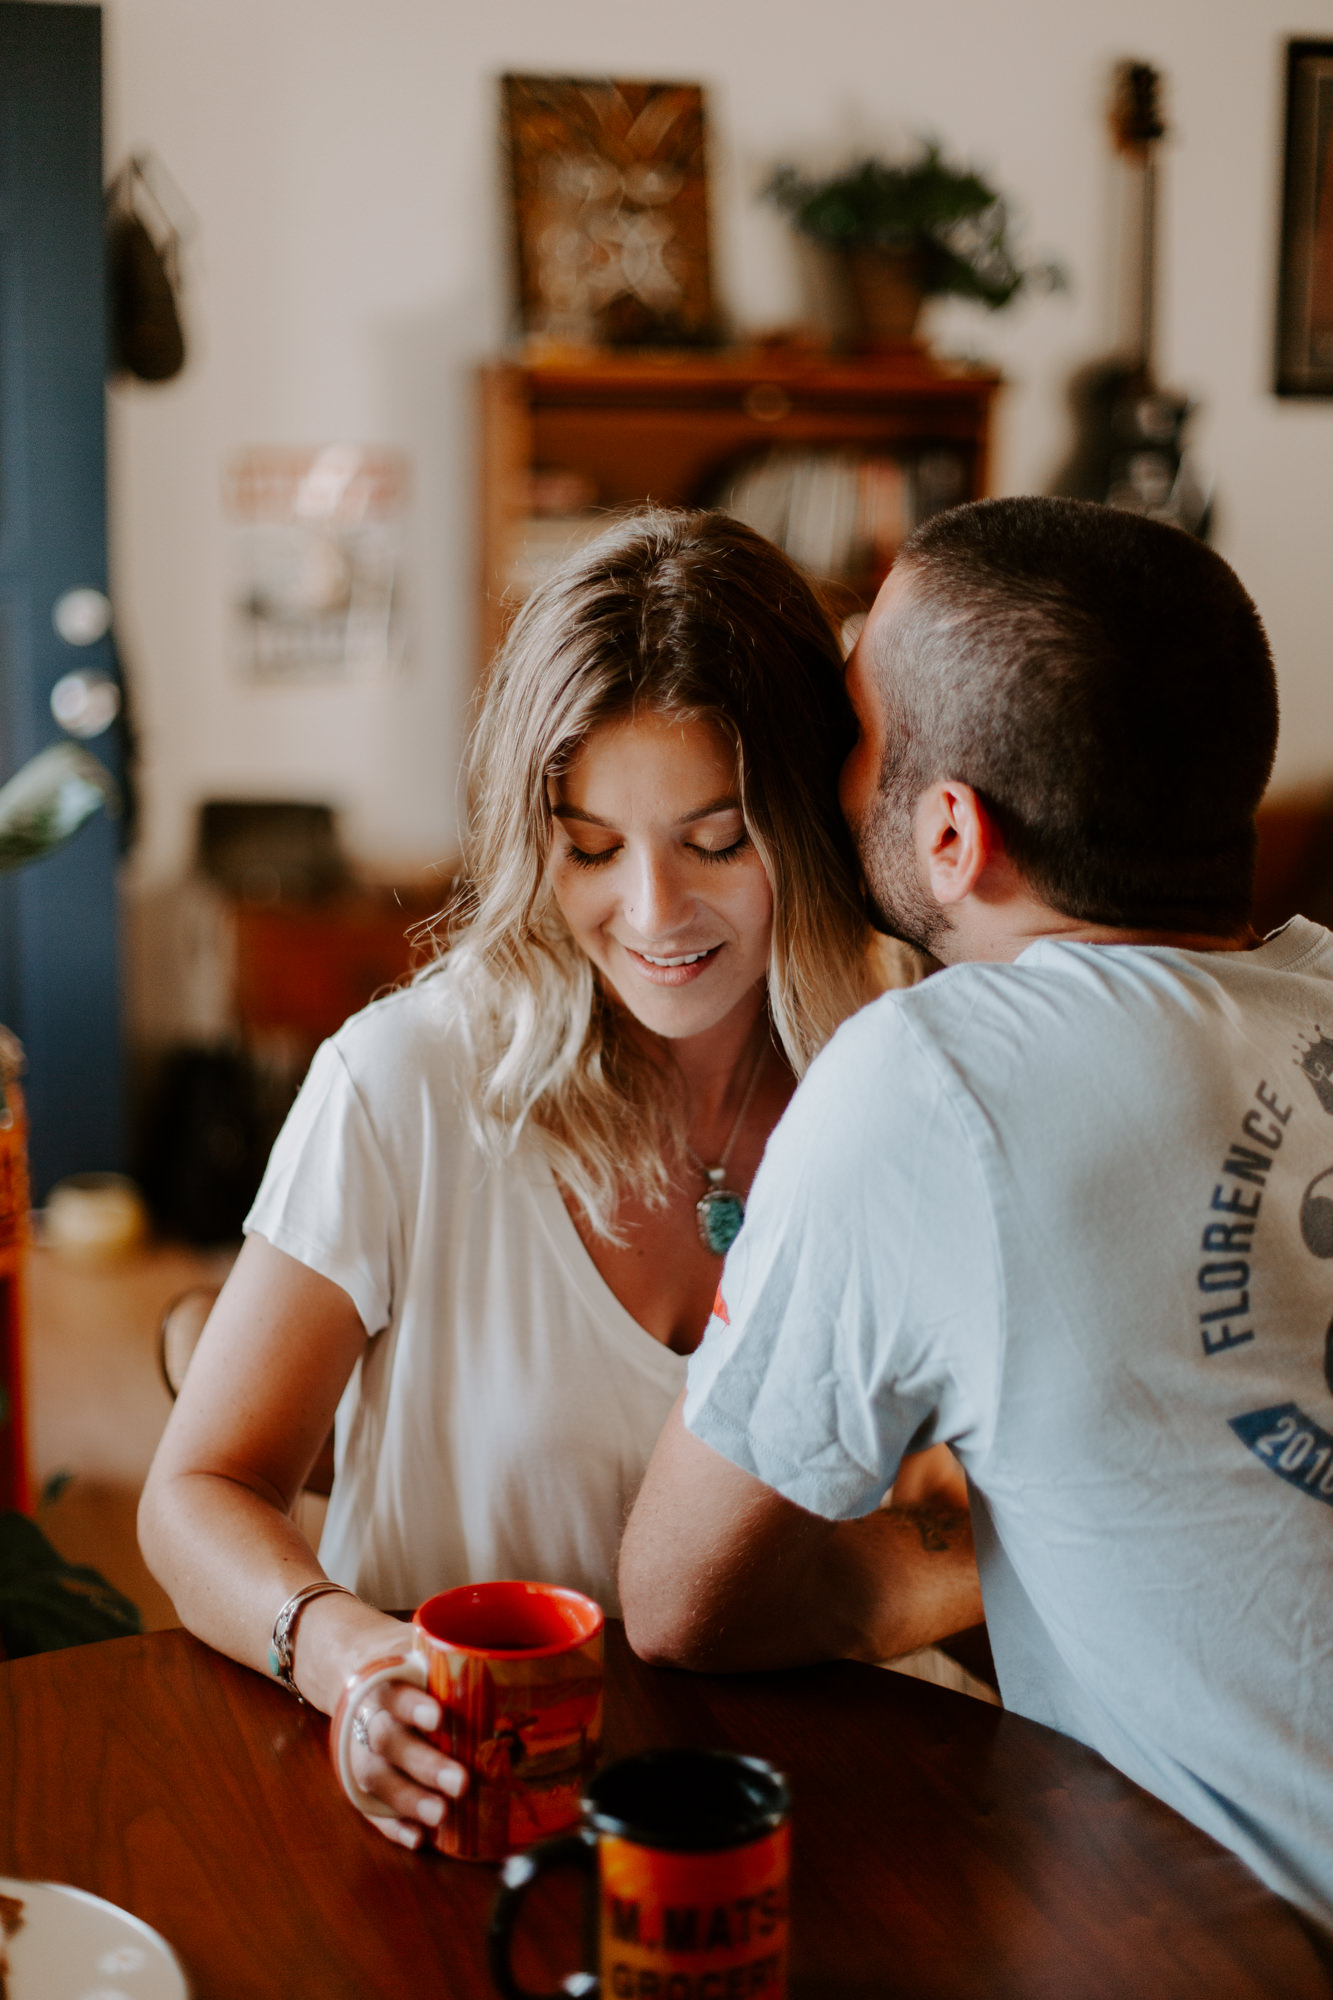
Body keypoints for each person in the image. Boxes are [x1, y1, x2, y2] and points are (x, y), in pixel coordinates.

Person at [138, 506, 935, 1853]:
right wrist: (343, 1657)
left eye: (717, 837)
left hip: (807, 1832)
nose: (651, 910)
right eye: (588, 844)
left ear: (810, 819)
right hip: (462, 1827)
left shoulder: (914, 1091)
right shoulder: (403, 1084)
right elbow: (194, 1491)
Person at [620, 495, 1333, 1924]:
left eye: (859, 726)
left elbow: (678, 1600)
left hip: (1245, 1947)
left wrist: (918, 1573)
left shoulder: (940, 1078)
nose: (831, 771)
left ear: (950, 831)